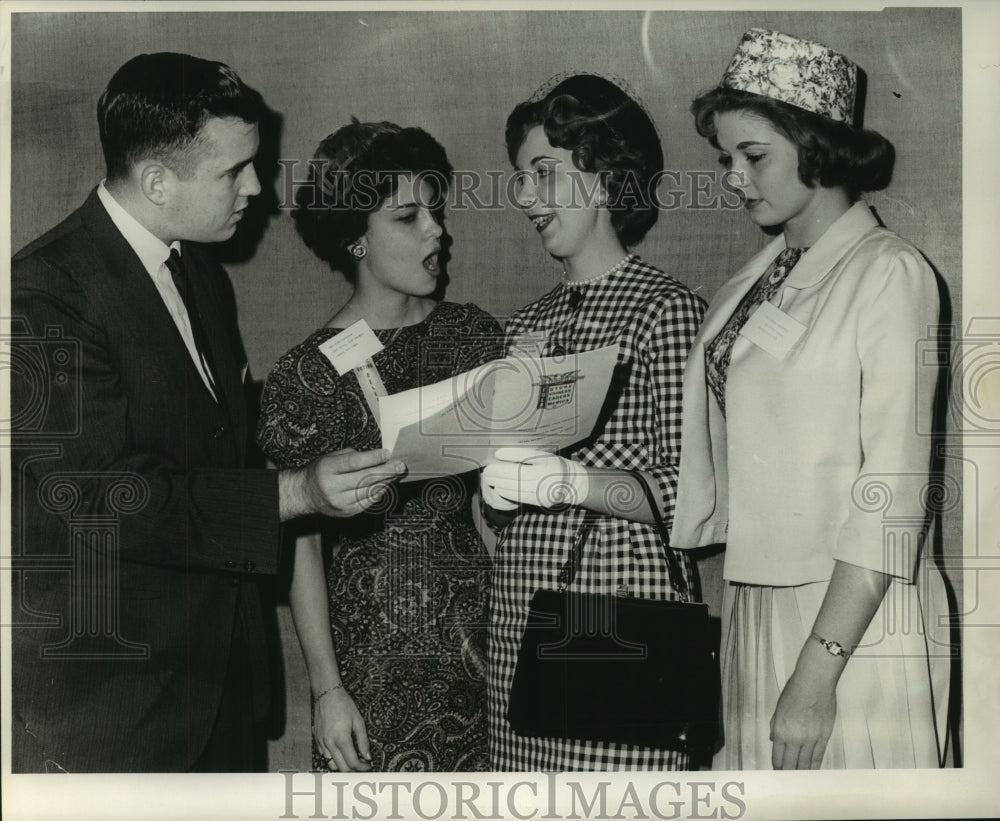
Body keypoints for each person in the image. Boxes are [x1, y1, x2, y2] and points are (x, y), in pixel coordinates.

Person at [10, 53, 404, 773]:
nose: (258, 188)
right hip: (116, 712)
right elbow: (101, 496)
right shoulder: (42, 296)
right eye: (234, 171)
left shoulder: (200, 274)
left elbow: (216, 455)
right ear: (158, 181)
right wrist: (296, 491)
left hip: (217, 691)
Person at [672, 29, 951, 769]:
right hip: (757, 600)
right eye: (726, 158)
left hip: (847, 615)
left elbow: (891, 490)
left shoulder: (889, 274)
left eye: (753, 156)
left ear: (818, 146)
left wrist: (820, 668)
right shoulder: (760, 277)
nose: (734, 176)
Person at [256, 120, 502, 772]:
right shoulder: (306, 373)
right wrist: (327, 689)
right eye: (407, 216)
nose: (436, 230)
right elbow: (299, 545)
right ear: (356, 239)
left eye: (436, 211)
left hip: (483, 649)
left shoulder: (474, 335)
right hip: (371, 665)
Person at [479, 73, 706, 770]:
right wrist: (487, 493)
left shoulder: (664, 310)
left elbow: (695, 495)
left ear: (605, 175)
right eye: (520, 179)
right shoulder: (524, 325)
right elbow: (498, 510)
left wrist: (571, 481)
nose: (524, 198)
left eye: (543, 174)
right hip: (519, 623)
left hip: (619, 622)